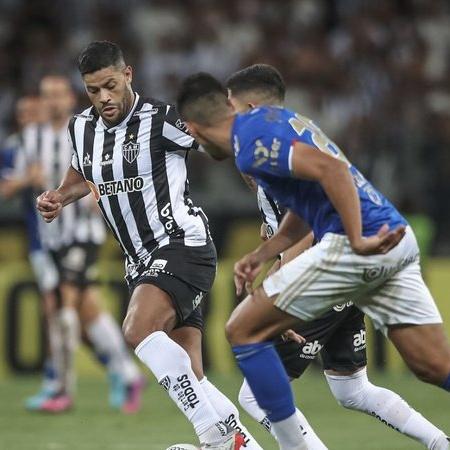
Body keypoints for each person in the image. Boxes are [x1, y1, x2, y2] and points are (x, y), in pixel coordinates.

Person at [176, 71, 450, 450]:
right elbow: (307, 203)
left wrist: (355, 239)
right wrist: (263, 254)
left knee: (242, 329)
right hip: (394, 237)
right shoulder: (278, 122)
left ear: (193, 128)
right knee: (433, 365)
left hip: (353, 244)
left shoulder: (250, 139)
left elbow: (332, 171)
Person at [36, 41, 258, 450]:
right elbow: (81, 174)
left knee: (137, 329)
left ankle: (212, 436)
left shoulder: (161, 119)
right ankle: (242, 444)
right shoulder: (81, 127)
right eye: (92, 90)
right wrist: (58, 197)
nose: (103, 97)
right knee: (191, 374)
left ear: (128, 75)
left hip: (181, 244)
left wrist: (267, 201)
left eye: (110, 85)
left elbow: (225, 143)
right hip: (139, 260)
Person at [3, 76, 145, 413]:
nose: (52, 101)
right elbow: (10, 185)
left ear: (69, 98)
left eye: (57, 95)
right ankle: (126, 373)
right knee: (83, 310)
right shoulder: (30, 138)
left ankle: (61, 389)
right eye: (46, 95)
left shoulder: (86, 130)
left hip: (84, 234)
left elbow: (111, 170)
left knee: (64, 310)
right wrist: (29, 178)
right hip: (50, 238)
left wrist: (97, 193)